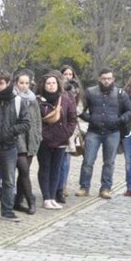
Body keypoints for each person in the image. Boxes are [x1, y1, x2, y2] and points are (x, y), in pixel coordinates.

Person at [76, 68, 131, 199]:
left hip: (112, 132)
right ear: (99, 79)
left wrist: (119, 120)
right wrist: (90, 118)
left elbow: (130, 111)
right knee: (88, 161)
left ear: (113, 79)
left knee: (109, 162)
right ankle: (84, 187)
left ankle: (105, 188)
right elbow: (80, 109)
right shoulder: (90, 92)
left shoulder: (120, 93)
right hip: (93, 132)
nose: (106, 81)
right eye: (104, 78)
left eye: (109, 78)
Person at [0, 71, 29, 221]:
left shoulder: (17, 101)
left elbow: (26, 123)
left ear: (8, 83)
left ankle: (7, 210)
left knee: (9, 180)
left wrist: (11, 131)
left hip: (9, 146)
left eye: (1, 83)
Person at [36, 71, 77, 209]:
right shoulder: (38, 100)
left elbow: (72, 118)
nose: (51, 85)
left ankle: (53, 197)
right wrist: (42, 134)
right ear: (44, 85)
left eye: (53, 83)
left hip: (61, 139)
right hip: (44, 140)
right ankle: (46, 197)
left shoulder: (65, 99)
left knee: (56, 169)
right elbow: (36, 121)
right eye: (48, 83)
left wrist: (66, 133)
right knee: (45, 168)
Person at [12, 70, 44, 215]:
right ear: (16, 83)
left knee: (23, 172)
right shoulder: (12, 98)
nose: (24, 86)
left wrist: (38, 136)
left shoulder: (33, 100)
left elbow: (37, 120)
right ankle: (31, 199)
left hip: (30, 139)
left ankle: (18, 200)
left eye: (26, 83)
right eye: (21, 83)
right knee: (24, 169)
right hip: (17, 138)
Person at [57, 65, 83, 204]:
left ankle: (63, 185)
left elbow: (79, 109)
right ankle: (57, 185)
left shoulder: (76, 90)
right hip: (58, 127)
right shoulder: (57, 88)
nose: (68, 76)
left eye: (70, 74)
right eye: (65, 74)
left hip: (71, 129)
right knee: (58, 160)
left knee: (66, 160)